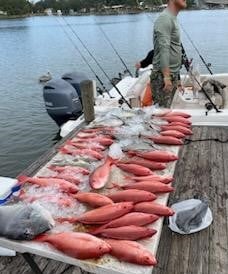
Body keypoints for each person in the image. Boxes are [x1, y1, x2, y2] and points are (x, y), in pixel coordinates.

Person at [151, 0, 187, 107]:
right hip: (162, 77)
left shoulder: (172, 18)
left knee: (168, 111)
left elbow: (174, 50)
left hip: (172, 75)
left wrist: (178, 80)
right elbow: (164, 50)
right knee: (162, 114)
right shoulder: (165, 19)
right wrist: (166, 78)